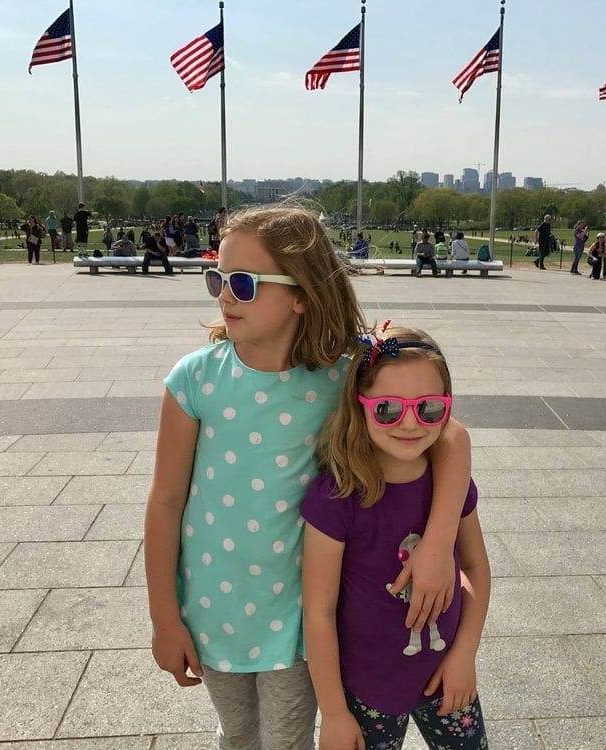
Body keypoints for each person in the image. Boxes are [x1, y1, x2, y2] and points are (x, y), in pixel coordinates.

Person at [144, 206, 472, 750]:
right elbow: (165, 502)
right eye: (216, 278)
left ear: (301, 293)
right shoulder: (195, 379)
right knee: (238, 735)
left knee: (286, 740)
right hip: (210, 609)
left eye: (244, 283)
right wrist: (163, 617)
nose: (225, 295)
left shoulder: (343, 375)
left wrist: (437, 544)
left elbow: (452, 439)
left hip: (299, 616)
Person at [302, 325, 491, 750]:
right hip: (367, 695)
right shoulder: (337, 497)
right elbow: (318, 610)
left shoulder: (452, 486)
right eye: (387, 409)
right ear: (360, 405)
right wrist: (333, 712)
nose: (409, 423)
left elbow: (476, 567)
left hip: (449, 680)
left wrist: (465, 655)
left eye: (429, 408)